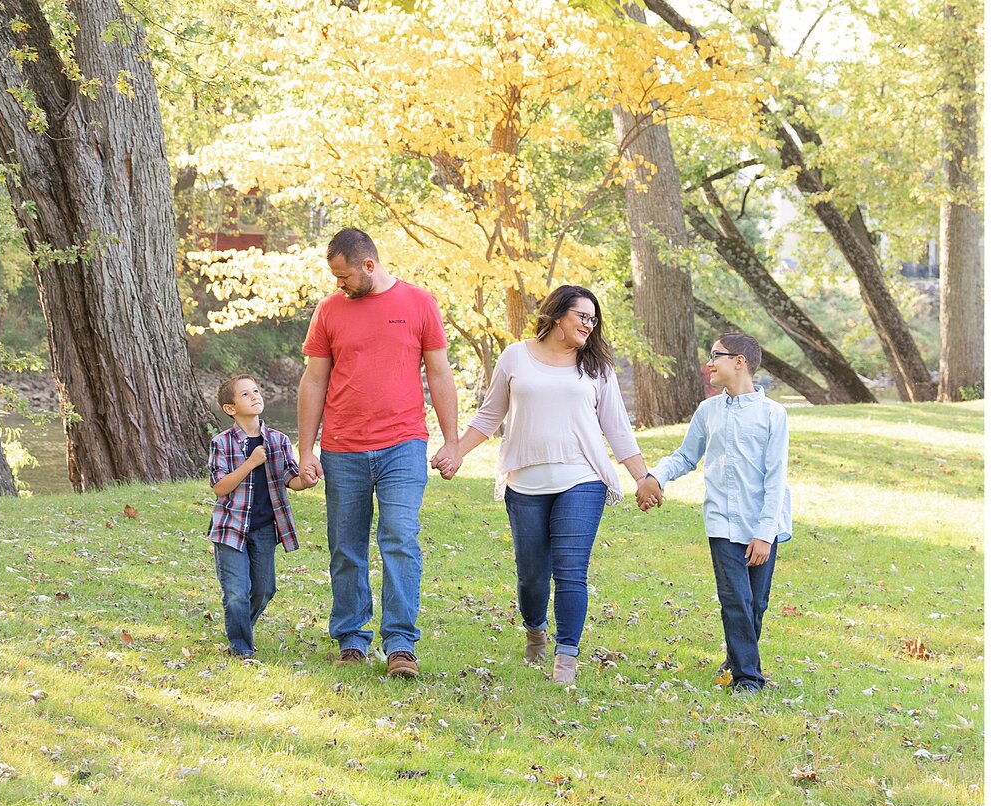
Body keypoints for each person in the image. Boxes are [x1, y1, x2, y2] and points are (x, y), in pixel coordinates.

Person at [432, 284, 652, 688]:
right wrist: (457, 452)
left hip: (581, 479)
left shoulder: (596, 367)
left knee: (570, 572)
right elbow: (489, 414)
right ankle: (535, 630)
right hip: (525, 481)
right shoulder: (516, 356)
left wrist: (642, 477)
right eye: (582, 316)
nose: (590, 324)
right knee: (532, 574)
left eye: (593, 318)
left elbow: (617, 428)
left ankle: (566, 657)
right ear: (556, 314)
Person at [297, 228, 459, 678]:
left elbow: (440, 374)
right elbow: (314, 380)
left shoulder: (419, 303)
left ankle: (401, 644)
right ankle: (351, 638)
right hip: (342, 447)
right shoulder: (329, 311)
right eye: (334, 277)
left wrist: (453, 440)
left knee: (399, 536)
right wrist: (306, 448)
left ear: (369, 265)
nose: (338, 285)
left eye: (344, 276)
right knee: (346, 546)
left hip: (403, 443)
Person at [637, 332, 791, 692]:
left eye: (716, 356)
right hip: (722, 521)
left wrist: (764, 533)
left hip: (762, 523)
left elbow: (776, 477)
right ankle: (748, 679)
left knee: (756, 605)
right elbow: (686, 456)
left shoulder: (773, 415)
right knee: (735, 600)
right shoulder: (708, 411)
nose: (709, 363)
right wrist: (655, 477)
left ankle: (737, 658)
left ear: (739, 362)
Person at [208, 374, 313, 661]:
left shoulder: (278, 440)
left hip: (264, 529)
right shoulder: (222, 443)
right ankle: (241, 647)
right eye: (245, 394)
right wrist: (251, 462)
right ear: (230, 408)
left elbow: (290, 479)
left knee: (264, 589)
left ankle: (240, 626)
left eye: (256, 391)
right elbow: (220, 487)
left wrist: (307, 480)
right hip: (231, 528)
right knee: (236, 593)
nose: (255, 396)